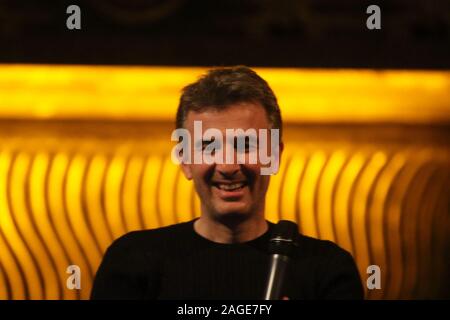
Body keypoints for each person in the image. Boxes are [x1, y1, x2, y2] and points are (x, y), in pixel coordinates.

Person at [90, 66, 364, 300]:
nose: (228, 166)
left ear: (274, 155)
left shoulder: (326, 269)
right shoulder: (134, 261)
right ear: (185, 160)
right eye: (209, 147)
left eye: (246, 145)